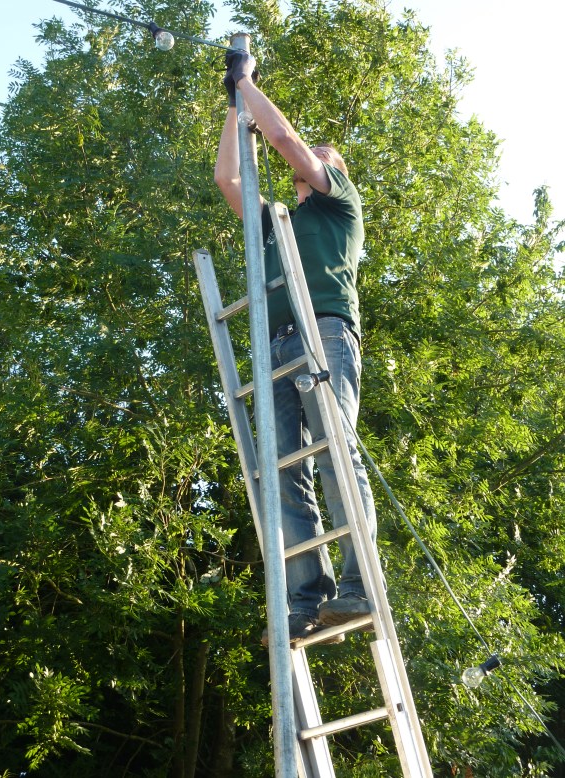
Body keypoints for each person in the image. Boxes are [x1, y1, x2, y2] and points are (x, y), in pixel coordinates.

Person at [214, 50, 377, 646]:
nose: (313, 158)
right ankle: (309, 598)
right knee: (283, 472)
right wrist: (236, 106)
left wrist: (249, 83)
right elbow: (228, 180)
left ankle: (361, 583)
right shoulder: (277, 221)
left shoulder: (339, 206)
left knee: (338, 453)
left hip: (326, 332)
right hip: (276, 346)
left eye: (323, 156)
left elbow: (284, 138)